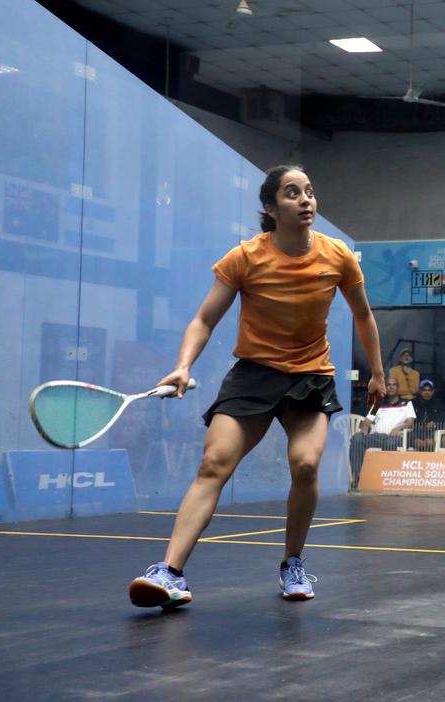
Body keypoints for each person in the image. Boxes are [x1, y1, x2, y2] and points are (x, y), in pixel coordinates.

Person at [128, 165, 385, 608]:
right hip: (254, 374)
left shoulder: (337, 255)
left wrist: (378, 373)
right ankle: (169, 573)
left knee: (305, 465)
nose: (306, 200)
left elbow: (363, 315)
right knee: (213, 463)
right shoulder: (245, 257)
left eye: (309, 191)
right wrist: (183, 365)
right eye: (292, 193)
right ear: (271, 208)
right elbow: (204, 319)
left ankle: (293, 563)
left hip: (310, 376)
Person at [348, 379, 414, 486]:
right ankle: (358, 476)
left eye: (394, 385)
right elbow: (367, 421)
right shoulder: (379, 403)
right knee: (357, 439)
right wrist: (364, 429)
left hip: (394, 437)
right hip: (376, 436)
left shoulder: (406, 403)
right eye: (388, 385)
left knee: (390, 443)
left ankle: (387, 477)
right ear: (385, 388)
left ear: (398, 388)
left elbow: (410, 422)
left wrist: (399, 428)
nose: (391, 387)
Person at [410, 379, 445, 450]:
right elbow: (409, 422)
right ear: (420, 391)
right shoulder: (413, 403)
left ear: (433, 392)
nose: (427, 392)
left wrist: (434, 424)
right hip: (415, 434)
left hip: (433, 434)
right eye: (424, 390)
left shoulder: (438, 404)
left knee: (430, 442)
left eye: (429, 390)